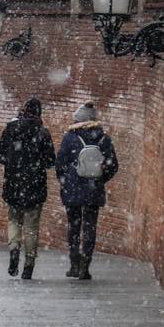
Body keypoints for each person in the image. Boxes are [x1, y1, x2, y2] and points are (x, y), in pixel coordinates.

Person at [55, 102, 119, 281]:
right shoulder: (104, 139)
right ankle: (86, 266)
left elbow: (59, 163)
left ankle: (74, 264)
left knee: (74, 226)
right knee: (90, 227)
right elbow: (113, 165)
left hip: (73, 190)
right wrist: (99, 179)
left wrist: (66, 181)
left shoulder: (70, 138)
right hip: (94, 191)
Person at [0, 97, 56, 279]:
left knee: (14, 220)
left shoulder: (10, 129)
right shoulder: (43, 133)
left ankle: (14, 250)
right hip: (35, 185)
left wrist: (13, 162)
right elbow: (51, 161)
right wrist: (35, 164)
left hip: (13, 183)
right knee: (31, 226)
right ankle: (29, 265)